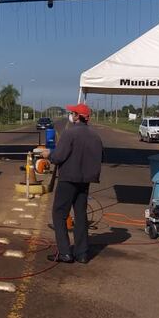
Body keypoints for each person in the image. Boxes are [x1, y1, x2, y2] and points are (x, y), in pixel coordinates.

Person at [41, 103, 103, 264]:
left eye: (72, 112)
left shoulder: (69, 134)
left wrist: (49, 154)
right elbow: (100, 157)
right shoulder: (95, 136)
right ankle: (82, 254)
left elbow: (59, 157)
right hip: (85, 181)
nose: (70, 114)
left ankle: (65, 253)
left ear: (77, 116)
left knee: (59, 214)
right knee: (80, 214)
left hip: (68, 179)